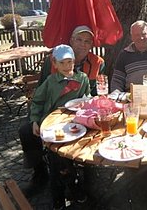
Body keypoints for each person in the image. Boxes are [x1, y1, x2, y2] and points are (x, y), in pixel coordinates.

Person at [19, 44, 90, 207]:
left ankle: (69, 185)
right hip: (50, 123)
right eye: (62, 63)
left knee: (60, 154)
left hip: (72, 122)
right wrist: (35, 120)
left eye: (69, 62)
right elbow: (37, 101)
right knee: (55, 154)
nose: (66, 66)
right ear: (55, 64)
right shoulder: (51, 81)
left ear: (74, 62)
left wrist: (86, 102)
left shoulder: (82, 78)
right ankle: (64, 189)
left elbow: (86, 97)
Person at [39, 25, 105, 96]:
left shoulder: (98, 62)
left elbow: (97, 91)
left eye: (87, 41)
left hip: (85, 104)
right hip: (56, 103)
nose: (83, 44)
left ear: (91, 45)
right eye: (79, 40)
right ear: (71, 41)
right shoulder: (53, 60)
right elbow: (41, 89)